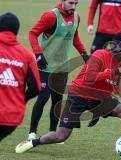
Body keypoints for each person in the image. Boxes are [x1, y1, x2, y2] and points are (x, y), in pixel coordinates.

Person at [15, 33, 121, 159]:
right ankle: (34, 142)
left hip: (99, 98)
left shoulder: (120, 66)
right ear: (118, 50)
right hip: (78, 96)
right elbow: (90, 78)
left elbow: (111, 87)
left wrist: (99, 110)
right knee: (61, 136)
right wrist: (114, 72)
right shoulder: (99, 55)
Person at [27, 0, 89, 141]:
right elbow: (32, 33)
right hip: (45, 66)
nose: (73, 7)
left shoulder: (76, 17)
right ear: (62, 1)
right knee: (43, 97)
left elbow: (75, 36)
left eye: (76, 4)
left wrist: (84, 54)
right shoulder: (50, 16)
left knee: (57, 101)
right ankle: (31, 132)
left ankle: (52, 133)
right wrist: (38, 54)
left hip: (62, 68)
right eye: (70, 3)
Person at [0, 12, 41, 141]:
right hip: (11, 117)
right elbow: (35, 88)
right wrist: (21, 100)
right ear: (16, 31)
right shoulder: (27, 55)